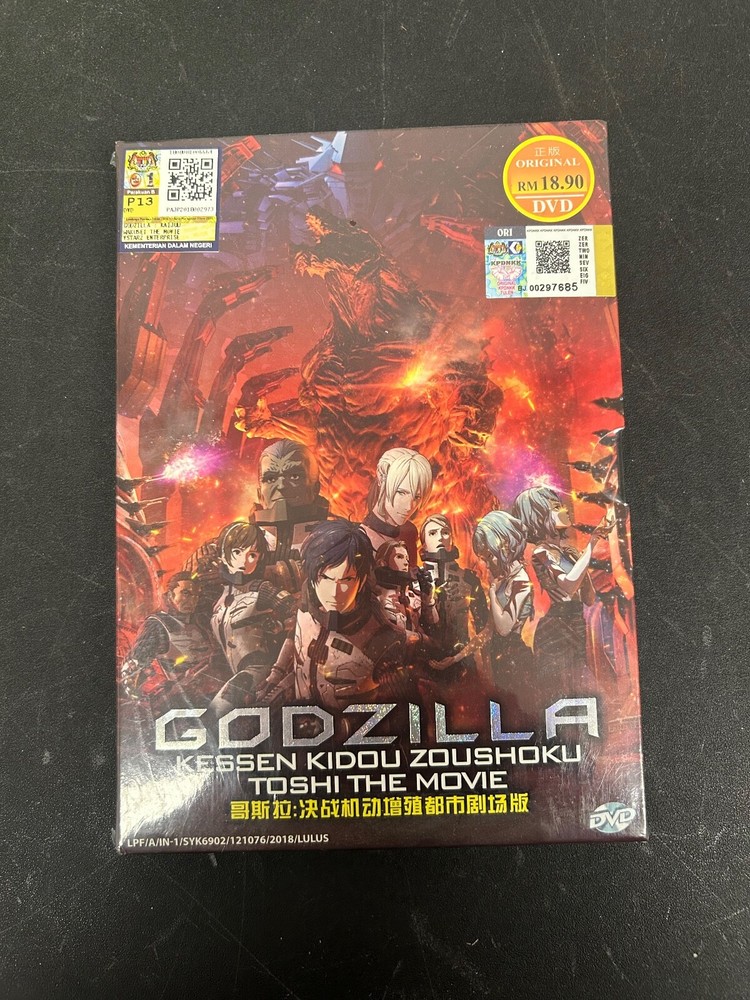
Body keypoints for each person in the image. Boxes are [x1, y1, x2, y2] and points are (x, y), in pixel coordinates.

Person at [258, 519, 415, 714]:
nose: (334, 592)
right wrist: (277, 674)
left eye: (346, 579)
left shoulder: (380, 638)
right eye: (325, 577)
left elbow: (398, 710)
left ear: (362, 580)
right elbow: (297, 637)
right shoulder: (308, 599)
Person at [511, 486, 613, 679]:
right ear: (539, 517)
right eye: (556, 507)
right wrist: (591, 544)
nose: (564, 509)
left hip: (576, 623)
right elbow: (568, 585)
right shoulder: (541, 552)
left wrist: (582, 561)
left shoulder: (568, 553)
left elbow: (589, 598)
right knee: (568, 682)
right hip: (555, 630)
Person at [429, 511, 533, 683]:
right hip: (501, 660)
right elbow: (487, 632)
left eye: (489, 556)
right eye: (484, 558)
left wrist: (492, 591)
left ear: (505, 545)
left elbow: (504, 628)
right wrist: (455, 659)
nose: (488, 565)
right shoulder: (505, 580)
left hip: (516, 660)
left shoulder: (520, 581)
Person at [206, 520, 296, 717]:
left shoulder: (262, 589)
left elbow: (301, 615)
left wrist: (281, 626)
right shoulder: (220, 597)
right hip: (235, 673)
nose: (244, 561)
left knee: (214, 715)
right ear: (224, 554)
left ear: (259, 558)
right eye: (237, 552)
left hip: (258, 670)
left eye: (252, 555)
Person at [120, 572, 223, 704]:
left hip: (214, 692)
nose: (191, 600)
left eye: (196, 595)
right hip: (183, 699)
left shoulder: (201, 622)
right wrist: (139, 699)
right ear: (170, 595)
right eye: (185, 593)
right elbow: (132, 666)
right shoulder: (157, 624)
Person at [419, 513, 488, 655]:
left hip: (462, 657)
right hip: (424, 659)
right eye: (432, 533)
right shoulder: (413, 581)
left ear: (451, 538)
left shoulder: (469, 579)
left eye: (445, 532)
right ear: (423, 542)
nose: (440, 537)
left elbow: (483, 627)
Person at [360, 447, 432, 565]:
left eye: (417, 497)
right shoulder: (359, 538)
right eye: (401, 493)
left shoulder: (409, 533)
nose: (409, 507)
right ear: (381, 478)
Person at [373, 539, 439, 635]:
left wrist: (429, 601)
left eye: (407, 559)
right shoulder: (373, 597)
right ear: (382, 563)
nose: (406, 563)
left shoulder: (414, 595)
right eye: (399, 557)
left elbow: (434, 629)